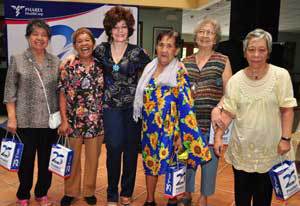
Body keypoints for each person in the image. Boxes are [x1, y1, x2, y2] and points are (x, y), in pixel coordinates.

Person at [61, 6, 151, 206]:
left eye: (124, 27)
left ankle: (126, 192)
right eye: (116, 27)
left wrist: (176, 64)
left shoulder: (138, 52)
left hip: (133, 110)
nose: (120, 31)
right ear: (109, 30)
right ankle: (112, 193)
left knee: (129, 151)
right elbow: (84, 56)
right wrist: (70, 57)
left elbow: (155, 70)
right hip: (110, 109)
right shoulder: (101, 50)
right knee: (113, 149)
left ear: (129, 29)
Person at [214, 28, 297, 206]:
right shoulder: (236, 80)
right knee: (242, 197)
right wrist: (219, 136)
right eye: (251, 49)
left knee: (263, 198)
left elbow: (287, 109)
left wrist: (285, 138)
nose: (256, 54)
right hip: (242, 149)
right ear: (245, 53)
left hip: (271, 149)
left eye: (261, 49)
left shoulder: (281, 76)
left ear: (268, 52)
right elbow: (228, 111)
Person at [133, 30, 211, 206]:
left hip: (174, 131)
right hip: (150, 129)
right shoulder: (149, 69)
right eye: (161, 44)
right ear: (156, 47)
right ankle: (150, 200)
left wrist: (184, 137)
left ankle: (173, 200)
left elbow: (186, 107)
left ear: (176, 50)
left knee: (176, 166)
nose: (164, 49)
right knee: (149, 164)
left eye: (169, 46)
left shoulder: (179, 73)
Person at [3, 19, 60, 206]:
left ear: (49, 39)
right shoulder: (17, 59)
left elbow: (60, 90)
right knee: (25, 162)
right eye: (35, 34)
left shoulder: (56, 61)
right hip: (25, 121)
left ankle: (42, 193)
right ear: (28, 37)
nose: (40, 38)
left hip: (49, 122)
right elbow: (9, 91)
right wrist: (11, 118)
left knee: (46, 163)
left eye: (44, 35)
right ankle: (23, 195)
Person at [181, 17, 232, 206]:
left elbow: (230, 92)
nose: (205, 35)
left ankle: (204, 196)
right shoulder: (185, 61)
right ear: (196, 36)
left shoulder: (223, 60)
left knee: (210, 162)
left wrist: (218, 109)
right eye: (202, 31)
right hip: (188, 122)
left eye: (209, 32)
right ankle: (186, 193)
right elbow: (180, 91)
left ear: (215, 37)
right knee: (188, 159)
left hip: (212, 122)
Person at [58, 28, 104, 206]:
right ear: (75, 46)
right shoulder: (67, 66)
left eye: (87, 40)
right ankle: (70, 192)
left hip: (96, 122)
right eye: (80, 41)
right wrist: (63, 120)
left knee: (93, 159)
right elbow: (62, 94)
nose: (84, 44)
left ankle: (89, 191)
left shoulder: (101, 66)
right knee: (73, 159)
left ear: (93, 43)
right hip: (73, 122)